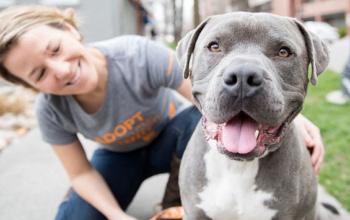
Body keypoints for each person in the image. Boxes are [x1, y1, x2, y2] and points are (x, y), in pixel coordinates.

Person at [0, 5, 325, 220]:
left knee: (196, 117)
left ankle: (176, 203)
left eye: (55, 49)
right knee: (74, 216)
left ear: (68, 29)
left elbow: (207, 98)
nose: (59, 70)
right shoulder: (51, 110)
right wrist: (118, 217)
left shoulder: (137, 55)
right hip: (121, 155)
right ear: (30, 85)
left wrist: (286, 117)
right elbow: (81, 174)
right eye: (39, 74)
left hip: (173, 137)